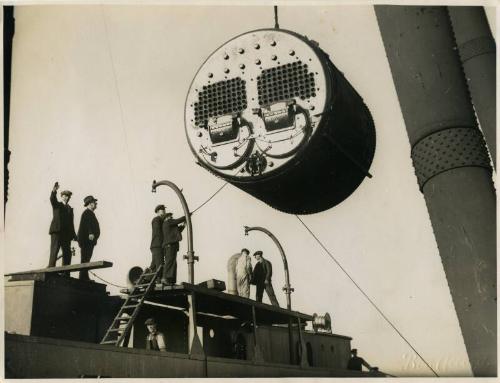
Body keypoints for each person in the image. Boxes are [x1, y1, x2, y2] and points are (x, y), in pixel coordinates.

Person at [48, 182, 77, 270]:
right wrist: (54, 191)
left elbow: (71, 224)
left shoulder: (70, 209)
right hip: (57, 232)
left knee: (67, 253)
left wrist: (74, 235)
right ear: (62, 196)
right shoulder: (57, 205)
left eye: (68, 196)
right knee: (54, 252)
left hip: (66, 235)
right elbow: (52, 199)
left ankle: (65, 272)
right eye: (65, 196)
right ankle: (51, 271)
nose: (67, 198)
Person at [77, 195, 100, 280]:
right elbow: (88, 225)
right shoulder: (87, 213)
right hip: (86, 241)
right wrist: (91, 233)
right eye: (94, 202)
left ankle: (84, 276)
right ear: (90, 204)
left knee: (86, 259)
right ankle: (83, 277)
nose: (96, 204)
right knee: (85, 259)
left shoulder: (89, 213)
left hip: (89, 241)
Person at [161, 210, 186, 285]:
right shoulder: (168, 222)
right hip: (170, 245)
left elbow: (177, 231)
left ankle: (170, 280)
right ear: (166, 218)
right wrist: (186, 216)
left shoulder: (169, 224)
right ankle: (165, 278)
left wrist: (184, 224)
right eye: (170, 217)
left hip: (171, 245)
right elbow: (178, 221)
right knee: (169, 262)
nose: (171, 218)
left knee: (172, 262)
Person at [150, 204, 166, 272]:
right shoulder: (157, 220)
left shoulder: (161, 220)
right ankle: (159, 280)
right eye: (162, 210)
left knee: (154, 265)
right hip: (158, 245)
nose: (164, 211)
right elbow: (158, 233)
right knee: (160, 264)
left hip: (157, 245)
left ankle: (146, 279)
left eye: (164, 210)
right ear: (158, 212)